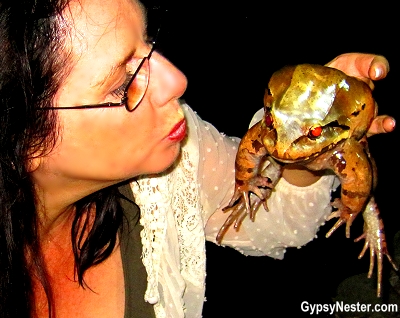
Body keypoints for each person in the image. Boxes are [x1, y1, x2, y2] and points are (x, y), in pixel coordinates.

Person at [0, 0, 396, 317]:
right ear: (24, 138)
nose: (177, 80)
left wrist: (303, 150)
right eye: (123, 83)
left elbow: (273, 220)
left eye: (149, 44)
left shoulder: (173, 151)